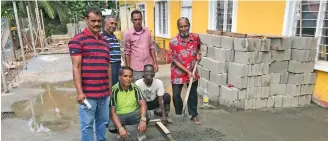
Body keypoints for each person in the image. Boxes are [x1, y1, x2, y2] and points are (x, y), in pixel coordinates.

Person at [68, 6, 111, 141]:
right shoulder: (77, 41)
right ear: (86, 19)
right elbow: (76, 67)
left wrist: (110, 90)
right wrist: (80, 92)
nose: (97, 24)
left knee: (102, 124)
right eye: (93, 21)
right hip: (88, 96)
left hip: (104, 94)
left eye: (99, 21)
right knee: (87, 126)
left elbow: (108, 67)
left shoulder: (105, 41)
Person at [168, 17, 202, 125]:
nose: (183, 28)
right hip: (178, 73)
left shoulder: (196, 37)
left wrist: (198, 54)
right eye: (181, 26)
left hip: (193, 71)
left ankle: (193, 115)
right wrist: (187, 71)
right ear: (178, 27)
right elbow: (174, 60)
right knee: (176, 95)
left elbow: (199, 48)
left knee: (192, 94)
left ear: (189, 25)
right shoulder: (173, 42)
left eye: (185, 26)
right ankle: (179, 114)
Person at [108, 66, 148, 141]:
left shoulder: (135, 88)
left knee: (147, 114)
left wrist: (143, 120)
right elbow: (113, 113)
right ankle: (123, 131)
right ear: (119, 77)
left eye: (130, 76)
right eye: (125, 76)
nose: (128, 79)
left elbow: (143, 104)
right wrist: (120, 128)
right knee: (111, 125)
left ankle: (141, 133)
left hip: (133, 114)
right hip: (120, 116)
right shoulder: (114, 90)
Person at [123, 10, 158, 82]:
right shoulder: (128, 34)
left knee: (149, 89)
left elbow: (151, 48)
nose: (137, 21)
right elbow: (127, 53)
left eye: (139, 19)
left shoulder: (147, 31)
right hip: (136, 69)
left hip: (148, 67)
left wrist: (155, 63)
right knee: (137, 90)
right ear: (132, 20)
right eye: (135, 19)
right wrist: (128, 70)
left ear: (142, 19)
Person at [101, 15, 121, 85]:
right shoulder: (102, 37)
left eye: (115, 24)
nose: (114, 26)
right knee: (112, 87)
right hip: (111, 66)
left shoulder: (113, 36)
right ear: (105, 23)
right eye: (111, 23)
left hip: (118, 65)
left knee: (117, 87)